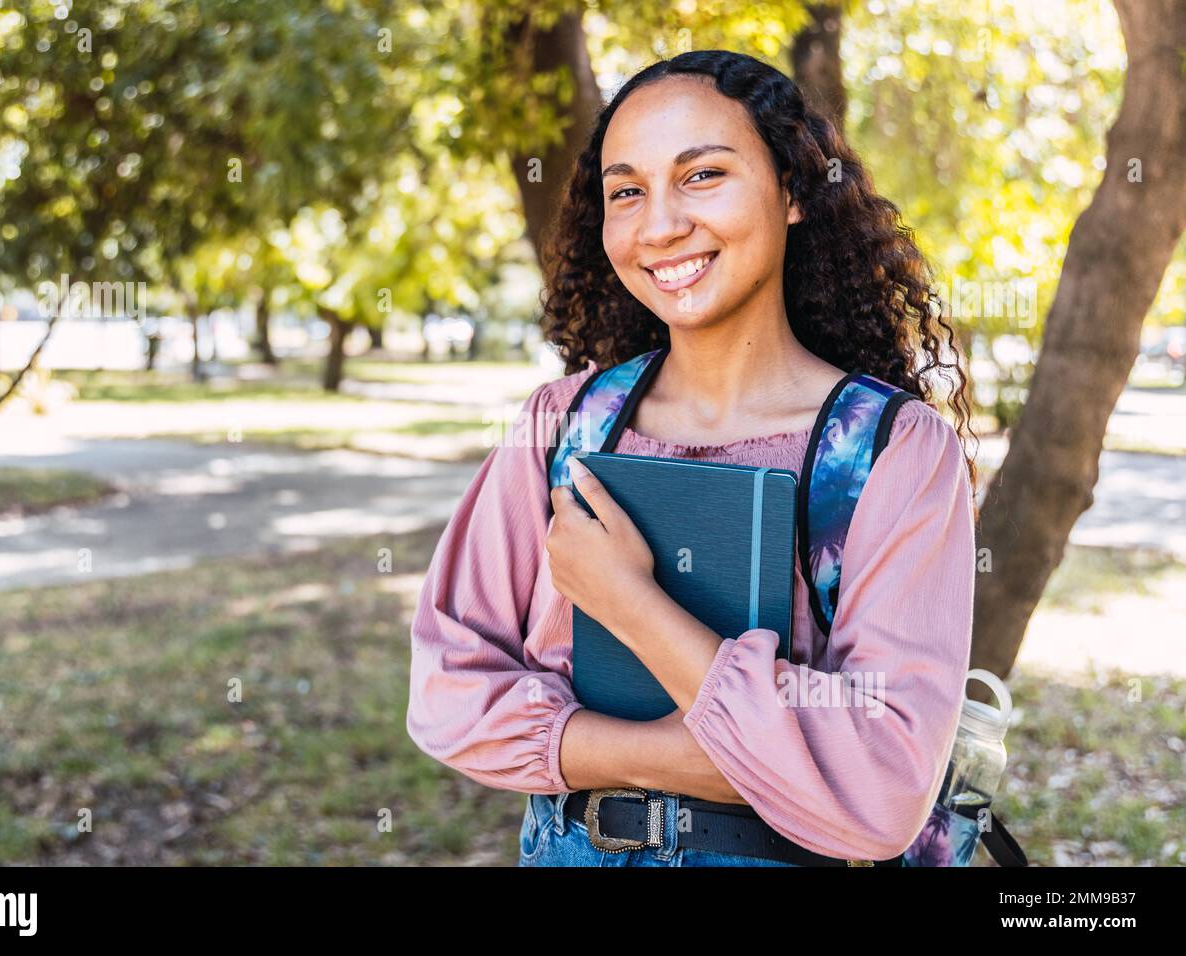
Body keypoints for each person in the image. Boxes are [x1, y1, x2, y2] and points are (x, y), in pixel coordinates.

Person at [406, 49, 979, 866]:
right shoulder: (561, 426)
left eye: (702, 175)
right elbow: (444, 694)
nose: (660, 224)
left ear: (790, 191)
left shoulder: (895, 452)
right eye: (627, 191)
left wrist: (627, 600)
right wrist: (685, 757)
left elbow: (882, 790)